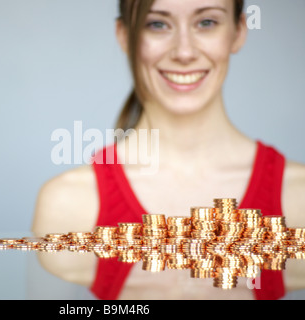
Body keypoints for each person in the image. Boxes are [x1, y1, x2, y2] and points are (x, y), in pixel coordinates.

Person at [32, 0, 305, 300]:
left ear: (239, 31)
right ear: (124, 35)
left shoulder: (298, 199)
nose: (184, 52)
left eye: (207, 22)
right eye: (157, 24)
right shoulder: (67, 205)